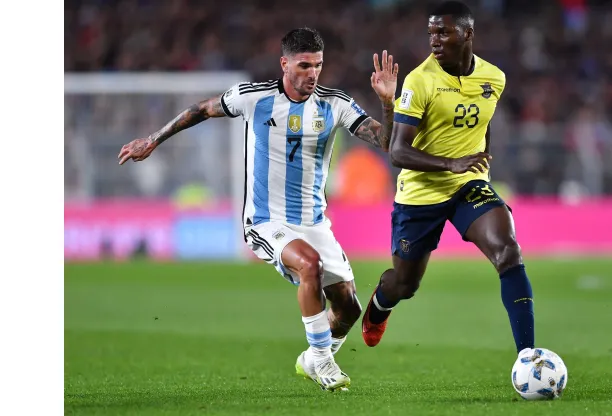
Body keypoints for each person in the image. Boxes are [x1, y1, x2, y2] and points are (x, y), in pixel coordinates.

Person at [118, 27, 399, 392]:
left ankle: (310, 360)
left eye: (318, 65)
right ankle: (323, 361)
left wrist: (388, 102)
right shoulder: (255, 97)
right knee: (309, 265)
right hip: (267, 220)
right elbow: (201, 109)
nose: (312, 74)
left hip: (314, 222)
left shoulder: (335, 104)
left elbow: (387, 142)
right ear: (284, 63)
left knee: (348, 309)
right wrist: (153, 140)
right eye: (303, 65)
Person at [361, 1, 537, 361]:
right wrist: (450, 162)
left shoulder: (494, 78)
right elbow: (398, 152)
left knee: (509, 252)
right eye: (431, 33)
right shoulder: (420, 80)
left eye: (443, 32)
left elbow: (481, 123)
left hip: (468, 185)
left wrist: (476, 160)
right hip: (421, 194)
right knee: (405, 285)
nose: (435, 40)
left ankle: (528, 356)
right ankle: (379, 306)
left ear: (468, 34)